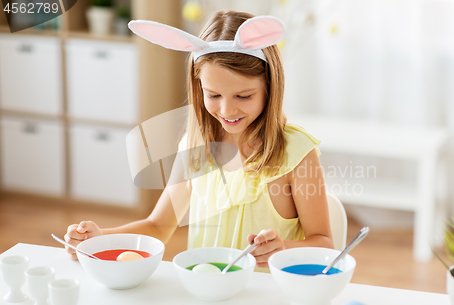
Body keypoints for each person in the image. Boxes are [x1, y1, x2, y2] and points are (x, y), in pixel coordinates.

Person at [64, 10, 333, 271]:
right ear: (199, 88)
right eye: (213, 95)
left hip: (267, 301)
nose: (227, 111)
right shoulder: (195, 148)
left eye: (243, 96)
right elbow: (158, 226)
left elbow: (325, 244)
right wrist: (99, 239)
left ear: (269, 89)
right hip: (206, 295)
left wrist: (283, 248)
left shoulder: (296, 153)